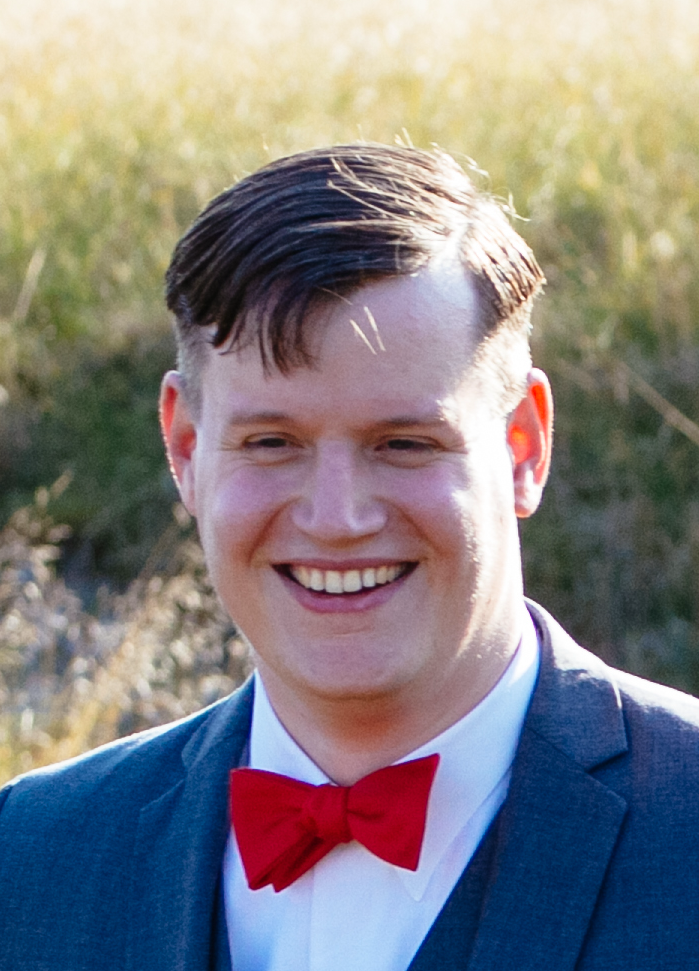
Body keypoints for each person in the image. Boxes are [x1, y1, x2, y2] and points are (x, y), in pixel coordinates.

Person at [1, 143, 698, 971]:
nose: (336, 519)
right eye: (271, 442)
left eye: (404, 442)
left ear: (523, 445)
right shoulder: (30, 856)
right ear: (185, 446)